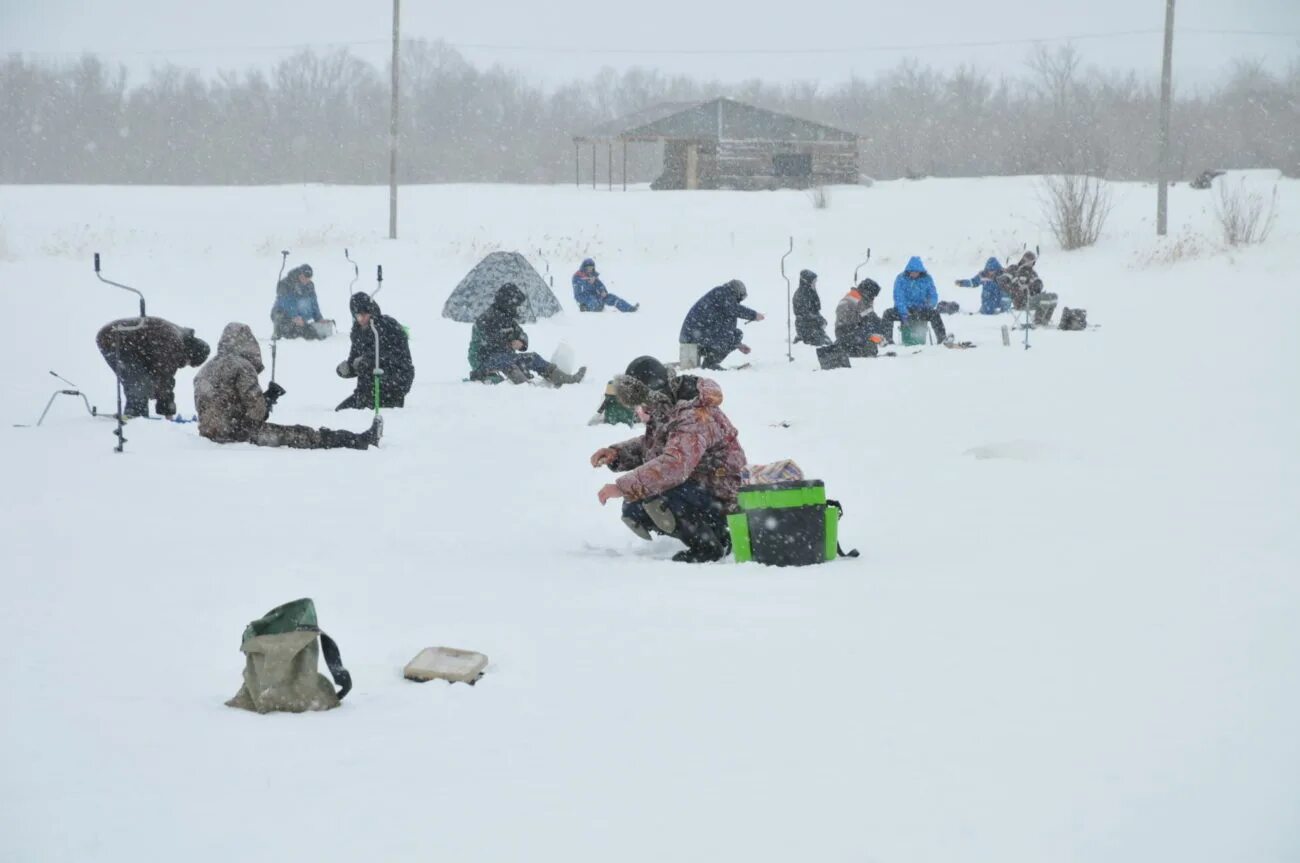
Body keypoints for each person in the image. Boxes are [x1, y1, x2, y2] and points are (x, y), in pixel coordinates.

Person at [591, 356, 747, 563]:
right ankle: (714, 534)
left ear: (654, 393)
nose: (642, 409)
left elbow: (674, 465)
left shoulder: (694, 415)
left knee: (658, 499)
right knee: (634, 507)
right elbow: (655, 445)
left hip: (721, 490)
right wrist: (617, 454)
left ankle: (709, 547)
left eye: (643, 402)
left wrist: (622, 487)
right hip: (697, 486)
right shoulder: (667, 404)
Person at [195, 323, 381, 450]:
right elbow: (255, 413)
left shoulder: (206, 369)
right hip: (238, 433)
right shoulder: (242, 365)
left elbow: (221, 404)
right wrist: (266, 401)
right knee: (303, 435)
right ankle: (359, 440)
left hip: (211, 433)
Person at [469, 283, 586, 385]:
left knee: (533, 358)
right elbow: (491, 344)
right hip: (483, 361)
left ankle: (562, 378)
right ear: (507, 303)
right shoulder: (486, 319)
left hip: (506, 358)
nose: (517, 309)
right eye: (515, 305)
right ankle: (524, 386)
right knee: (508, 362)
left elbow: (522, 334)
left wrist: (521, 342)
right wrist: (509, 343)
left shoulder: (507, 318)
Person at [95, 316, 210, 418]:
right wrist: (167, 411)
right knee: (139, 383)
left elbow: (158, 373)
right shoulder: (173, 343)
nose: (183, 365)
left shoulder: (176, 336)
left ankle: (137, 413)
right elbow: (164, 378)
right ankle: (135, 416)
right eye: (188, 363)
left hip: (122, 340)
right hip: (114, 338)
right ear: (189, 353)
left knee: (143, 381)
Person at [335, 292, 414, 410]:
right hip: (367, 388)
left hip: (394, 381)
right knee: (341, 410)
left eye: (365, 314)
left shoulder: (387, 326)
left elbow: (396, 357)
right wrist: (348, 369)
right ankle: (364, 399)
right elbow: (355, 360)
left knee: (372, 405)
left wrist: (368, 360)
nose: (362, 318)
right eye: (358, 315)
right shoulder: (358, 332)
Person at [679, 280, 764, 369]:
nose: (738, 301)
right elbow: (734, 310)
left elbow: (726, 328)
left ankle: (696, 364)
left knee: (690, 370)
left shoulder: (719, 300)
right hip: (697, 337)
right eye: (740, 298)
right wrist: (754, 315)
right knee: (736, 334)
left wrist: (738, 344)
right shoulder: (723, 293)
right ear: (737, 292)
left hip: (689, 338)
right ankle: (709, 364)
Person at [882, 256, 947, 344]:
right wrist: (904, 312)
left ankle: (942, 339)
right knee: (888, 314)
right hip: (905, 311)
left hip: (921, 310)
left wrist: (928, 306)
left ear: (920, 271)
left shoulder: (927, 279)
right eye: (912, 271)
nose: (914, 273)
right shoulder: (901, 279)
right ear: (908, 270)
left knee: (935, 314)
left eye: (916, 271)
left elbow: (933, 295)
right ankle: (887, 341)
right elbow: (898, 297)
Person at [834, 279, 890, 356]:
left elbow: (871, 317)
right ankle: (846, 348)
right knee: (871, 348)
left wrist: (880, 328)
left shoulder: (859, 297)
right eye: (873, 295)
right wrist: (872, 335)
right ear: (868, 292)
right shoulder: (857, 300)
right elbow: (869, 319)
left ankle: (849, 347)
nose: (873, 298)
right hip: (847, 331)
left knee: (872, 337)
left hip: (850, 330)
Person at [271, 264, 325, 340]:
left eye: (308, 279)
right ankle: (278, 333)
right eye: (304, 278)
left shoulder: (309, 285)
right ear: (300, 274)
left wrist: (319, 318)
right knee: (290, 333)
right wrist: (294, 316)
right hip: (283, 314)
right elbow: (287, 301)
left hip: (300, 318)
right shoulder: (286, 283)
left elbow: (313, 302)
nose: (306, 281)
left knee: (311, 334)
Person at [572, 258, 637, 313]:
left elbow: (600, 285)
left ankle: (629, 308)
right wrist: (588, 282)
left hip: (595, 295)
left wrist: (603, 291)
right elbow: (578, 290)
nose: (590, 269)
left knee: (611, 297)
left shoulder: (593, 276)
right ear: (584, 267)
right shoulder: (577, 276)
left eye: (591, 268)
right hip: (583, 297)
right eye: (588, 268)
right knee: (594, 303)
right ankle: (585, 308)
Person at [792, 269, 831, 346]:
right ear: (807, 281)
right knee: (824, 346)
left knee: (830, 345)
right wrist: (819, 320)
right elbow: (804, 314)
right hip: (806, 328)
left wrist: (822, 319)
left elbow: (815, 311)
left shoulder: (811, 293)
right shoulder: (800, 295)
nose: (815, 284)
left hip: (815, 328)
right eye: (814, 282)